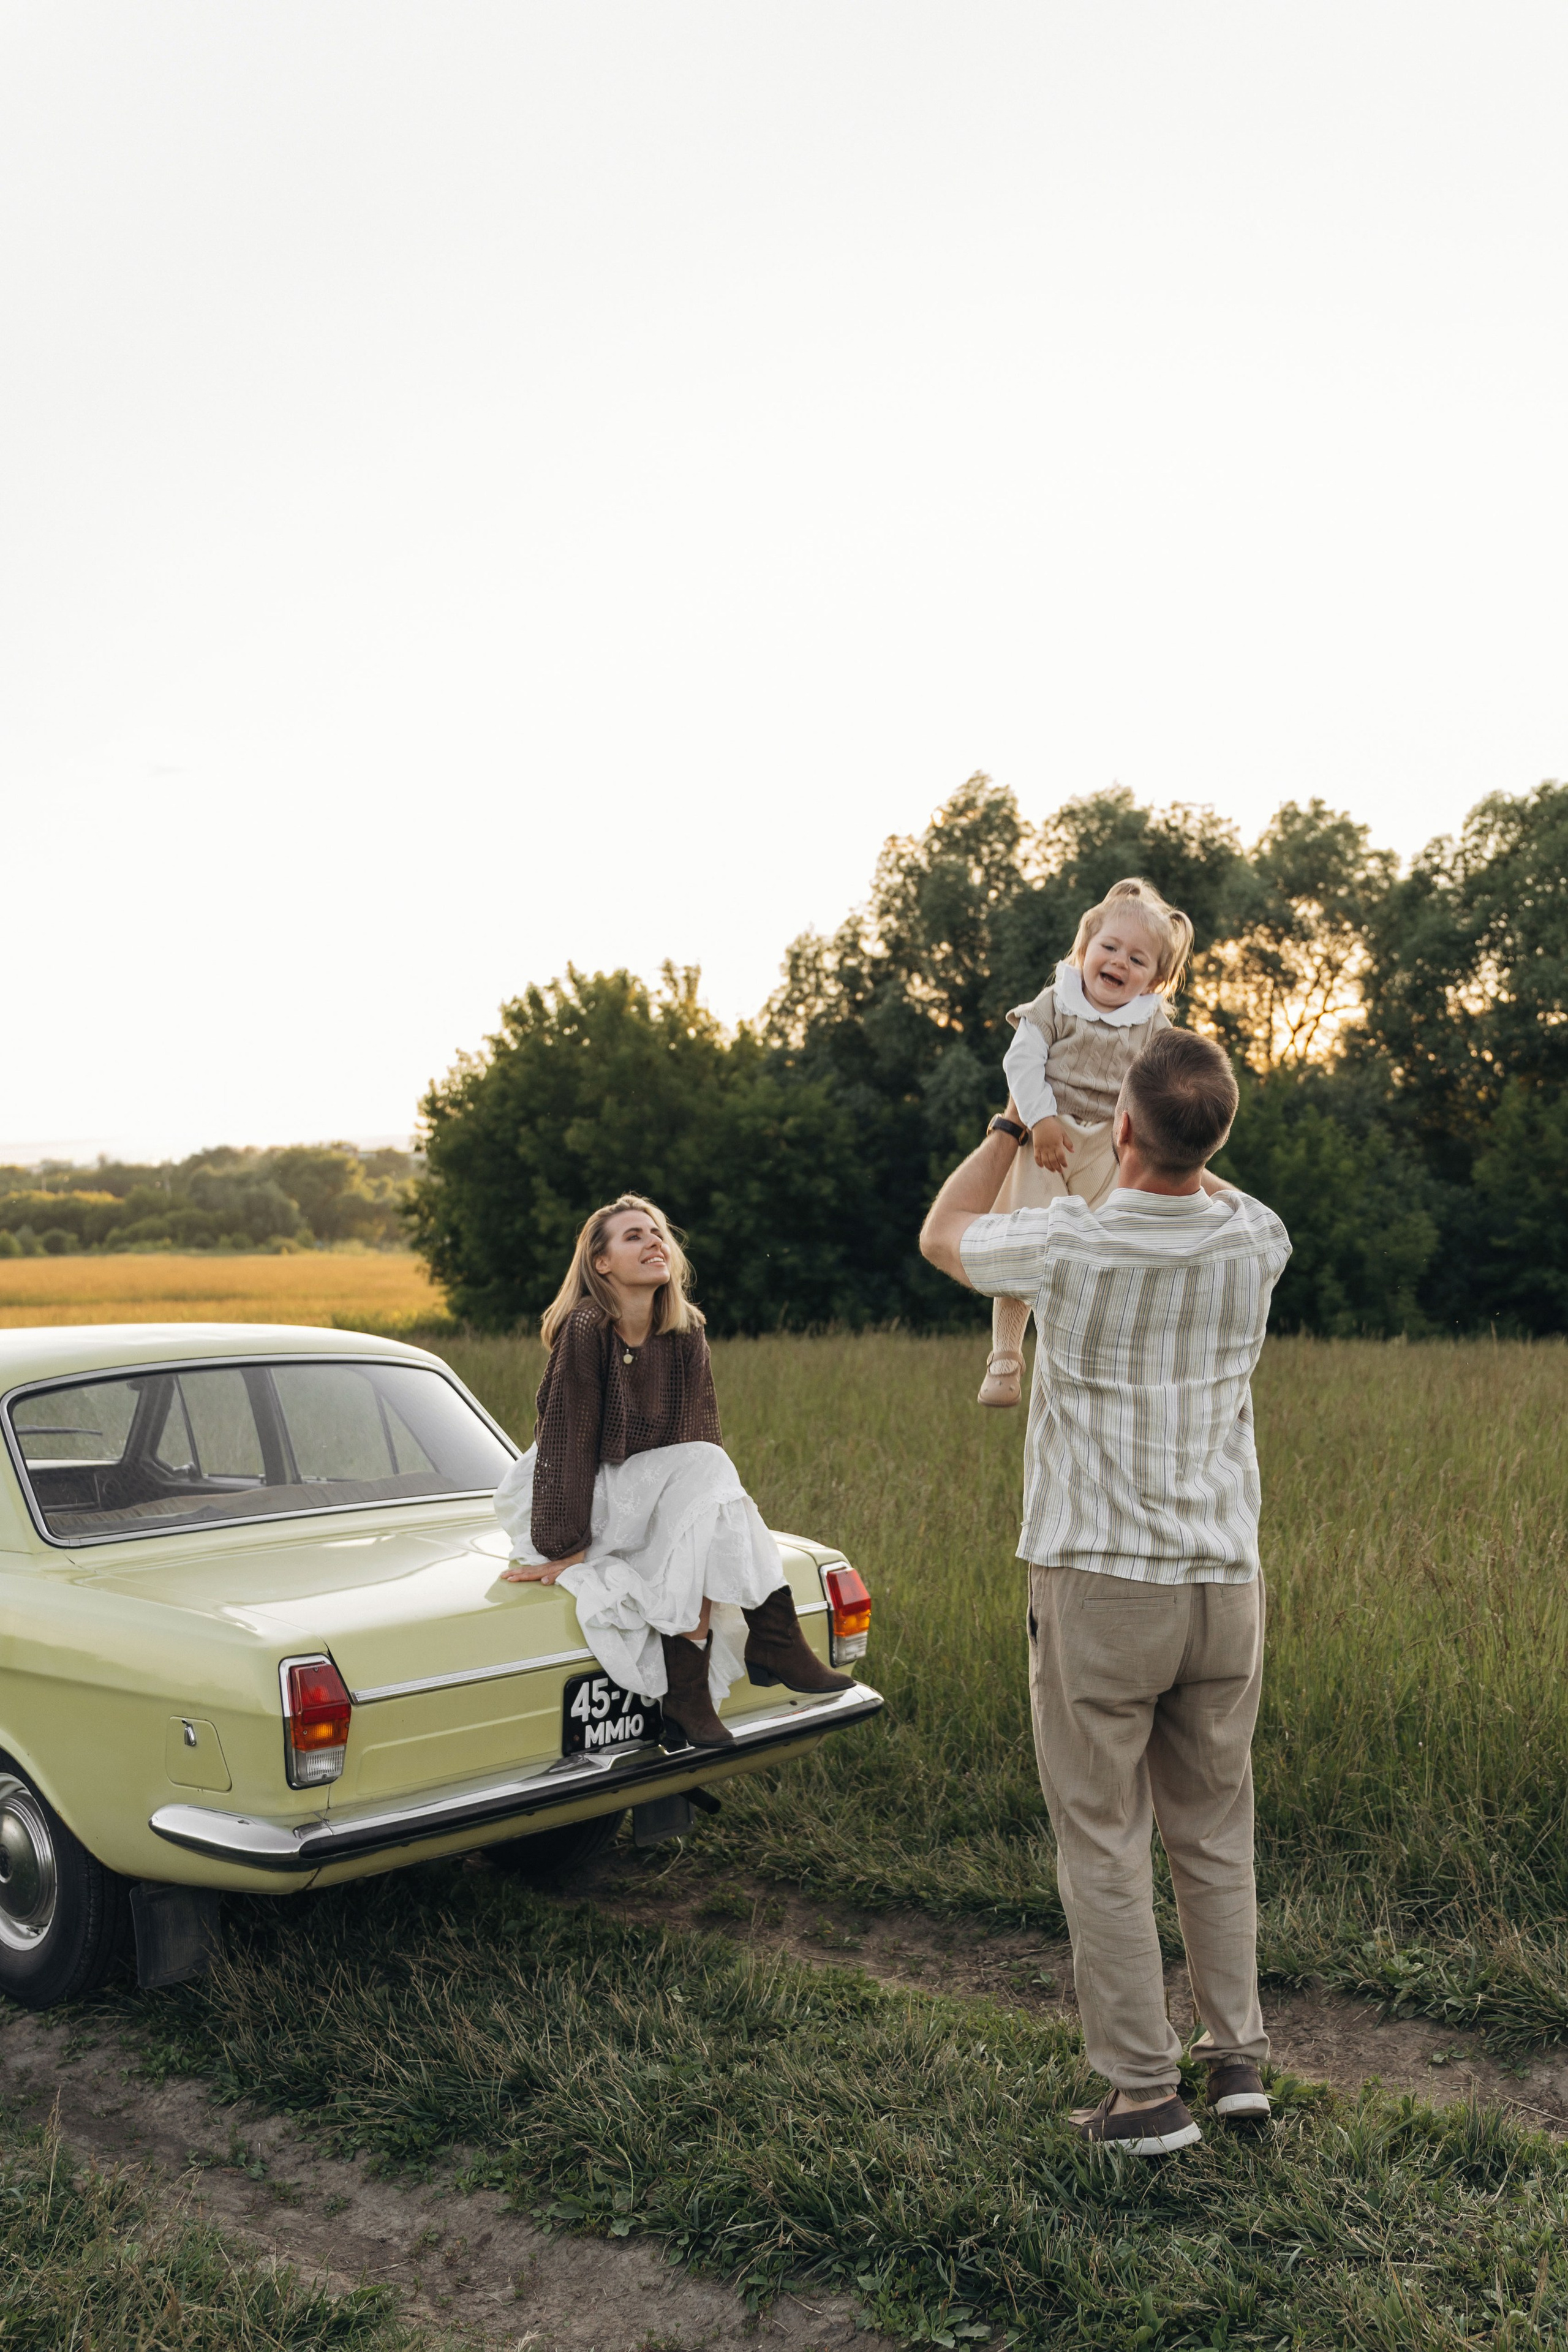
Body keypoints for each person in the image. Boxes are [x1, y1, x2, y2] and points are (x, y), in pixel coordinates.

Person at [920, 1028, 1291, 2154]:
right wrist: (1179, 1125)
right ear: (1215, 1138)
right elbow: (1197, 1159)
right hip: (1224, 1584)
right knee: (1214, 1830)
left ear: (1121, 1125)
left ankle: (1143, 2095)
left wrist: (1010, 1122)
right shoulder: (1258, 1238)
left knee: (1103, 1835)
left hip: (1100, 1580)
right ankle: (1237, 2062)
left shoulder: (1068, 1242)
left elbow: (942, 1232)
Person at [492, 1194, 851, 1749]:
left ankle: (690, 1697)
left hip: (652, 1486)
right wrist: (566, 1546)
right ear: (601, 1262)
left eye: (657, 1233)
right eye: (633, 1236)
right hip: (575, 1488)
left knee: (703, 1499)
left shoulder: (686, 1331)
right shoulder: (587, 1326)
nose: (654, 1242)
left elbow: (696, 1436)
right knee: (707, 1472)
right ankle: (773, 1639)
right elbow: (568, 1439)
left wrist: (695, 1509)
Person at [977, 878, 1194, 1409]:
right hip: (1048, 1136)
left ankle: (1086, 1358)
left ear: (1154, 980)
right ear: (1085, 949)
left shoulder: (1152, 1025)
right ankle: (1006, 1355)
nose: (1120, 962)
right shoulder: (1056, 1002)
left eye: (1137, 959)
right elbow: (1021, 1062)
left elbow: (1163, 1087)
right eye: (1110, 947)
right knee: (1026, 1238)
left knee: (1102, 1248)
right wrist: (1041, 1119)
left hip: (1112, 1146)